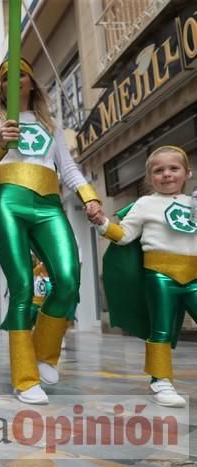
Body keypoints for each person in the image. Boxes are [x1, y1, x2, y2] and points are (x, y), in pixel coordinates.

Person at [0, 58, 101, 404]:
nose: (12, 82)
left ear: (31, 83)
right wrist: (0, 143)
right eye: (5, 78)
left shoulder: (50, 126)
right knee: (23, 286)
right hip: (7, 203)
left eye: (20, 75)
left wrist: (90, 198)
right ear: (0, 88)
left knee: (69, 277)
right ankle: (24, 378)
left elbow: (69, 169)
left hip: (48, 204)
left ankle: (44, 353)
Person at [91, 145, 195, 408]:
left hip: (194, 276)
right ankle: (161, 380)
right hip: (159, 275)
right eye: (158, 171)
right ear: (149, 178)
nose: (167, 174)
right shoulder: (145, 204)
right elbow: (124, 235)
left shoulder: (194, 203)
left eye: (174, 168)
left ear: (187, 173)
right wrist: (102, 222)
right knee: (159, 327)